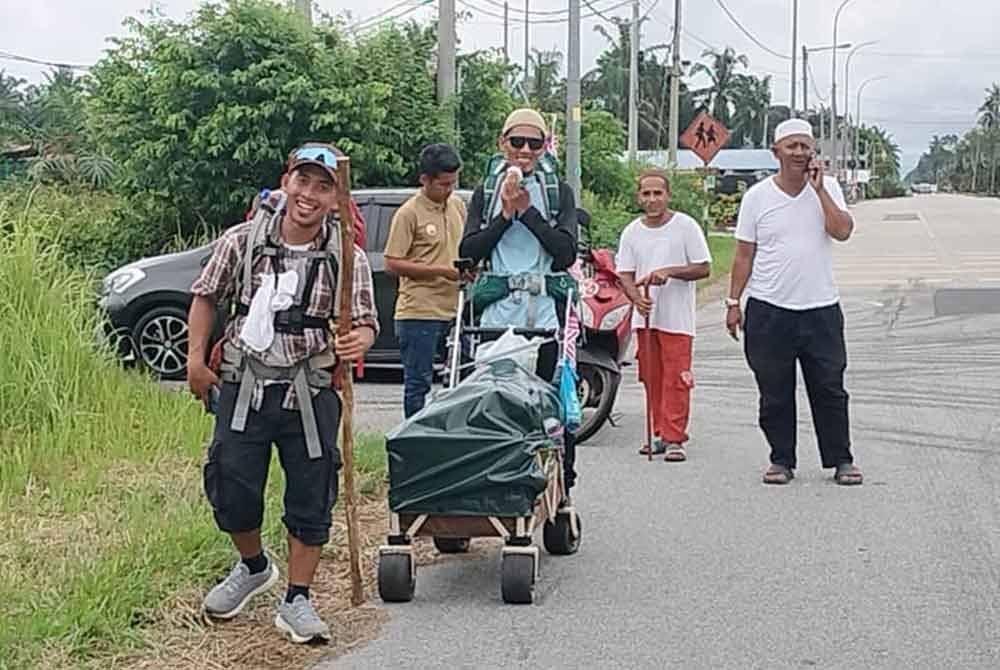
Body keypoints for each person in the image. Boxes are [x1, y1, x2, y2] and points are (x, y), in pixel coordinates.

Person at [186, 142, 379, 643]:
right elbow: (206, 296)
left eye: (323, 187)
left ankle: (297, 599)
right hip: (243, 384)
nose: (309, 195)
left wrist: (359, 338)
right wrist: (194, 359)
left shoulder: (347, 257)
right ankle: (252, 567)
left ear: (337, 197)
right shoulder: (242, 240)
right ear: (286, 181)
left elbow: (366, 323)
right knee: (230, 483)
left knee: (312, 493)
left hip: (311, 392)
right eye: (303, 182)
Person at [726, 119, 863, 486]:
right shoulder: (757, 197)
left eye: (806, 146)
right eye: (792, 147)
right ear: (776, 153)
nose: (800, 153)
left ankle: (841, 459)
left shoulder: (829, 187)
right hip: (770, 309)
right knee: (774, 390)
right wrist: (732, 301)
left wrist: (819, 192)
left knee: (830, 387)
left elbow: (843, 231)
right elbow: (743, 255)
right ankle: (781, 459)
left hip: (820, 308)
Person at [458, 107, 580, 501]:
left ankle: (559, 488)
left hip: (543, 313)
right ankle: (493, 483)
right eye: (517, 142)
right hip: (495, 313)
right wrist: (503, 217)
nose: (525, 151)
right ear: (502, 144)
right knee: (492, 401)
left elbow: (565, 254)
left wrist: (527, 213)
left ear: (546, 147)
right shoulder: (487, 191)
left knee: (546, 403)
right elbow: (468, 252)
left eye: (535, 143)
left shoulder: (559, 191)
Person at [617, 169, 712, 462]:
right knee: (651, 377)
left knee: (676, 378)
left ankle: (674, 437)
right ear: (639, 197)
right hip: (646, 318)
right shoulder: (632, 231)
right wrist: (636, 299)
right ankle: (658, 432)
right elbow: (625, 273)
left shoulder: (685, 226)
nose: (652, 199)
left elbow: (703, 267)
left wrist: (669, 272)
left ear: (668, 195)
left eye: (658, 193)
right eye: (646, 193)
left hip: (676, 319)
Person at [384, 143, 467, 418]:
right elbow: (392, 263)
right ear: (425, 180)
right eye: (443, 184)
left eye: (453, 183)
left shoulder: (457, 206)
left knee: (461, 381)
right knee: (418, 384)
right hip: (419, 311)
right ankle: (414, 443)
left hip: (456, 310)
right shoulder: (409, 213)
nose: (449, 190)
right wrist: (441, 271)